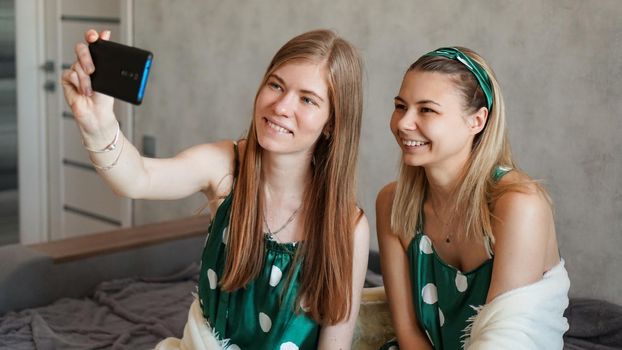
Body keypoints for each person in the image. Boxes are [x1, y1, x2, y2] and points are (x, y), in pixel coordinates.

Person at [62, 29, 369, 350]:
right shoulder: (227, 165)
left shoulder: (348, 227)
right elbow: (137, 179)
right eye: (276, 85)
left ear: (332, 123)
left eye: (307, 99)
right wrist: (97, 125)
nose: (281, 106)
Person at [376, 47, 570, 349]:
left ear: (477, 121)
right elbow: (409, 332)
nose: (403, 123)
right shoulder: (392, 203)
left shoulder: (519, 203)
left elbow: (503, 340)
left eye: (426, 109)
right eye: (401, 106)